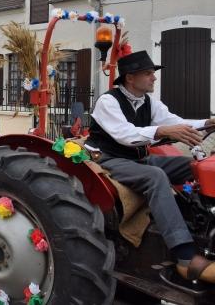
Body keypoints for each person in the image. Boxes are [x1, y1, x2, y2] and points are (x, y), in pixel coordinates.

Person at [86, 50, 215, 284]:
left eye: (152, 73)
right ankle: (185, 256)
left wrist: (208, 123)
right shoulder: (108, 101)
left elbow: (175, 122)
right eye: (148, 73)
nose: (154, 78)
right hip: (108, 160)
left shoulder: (148, 102)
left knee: (192, 165)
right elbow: (125, 135)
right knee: (155, 176)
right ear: (130, 78)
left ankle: (203, 225)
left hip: (138, 159)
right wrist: (162, 131)